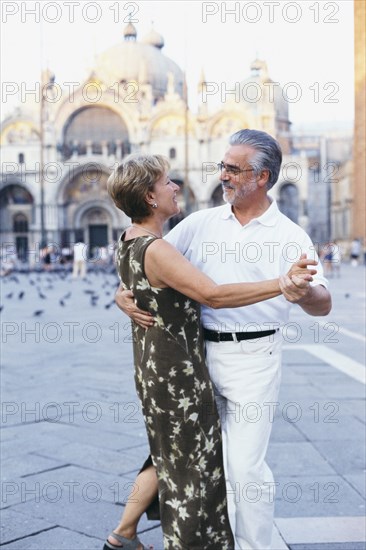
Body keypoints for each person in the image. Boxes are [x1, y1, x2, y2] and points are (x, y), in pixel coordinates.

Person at [117, 130, 331, 550]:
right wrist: (122, 293)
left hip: (255, 357)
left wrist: (304, 292)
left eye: (234, 169)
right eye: (223, 166)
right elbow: (148, 259)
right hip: (198, 357)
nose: (223, 176)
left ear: (263, 176)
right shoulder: (199, 223)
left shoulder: (290, 236)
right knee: (190, 455)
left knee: (245, 468)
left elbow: (323, 303)